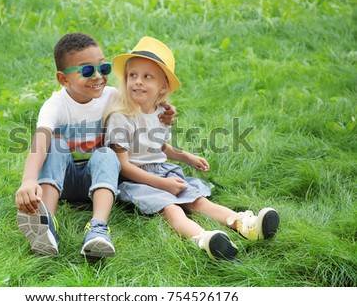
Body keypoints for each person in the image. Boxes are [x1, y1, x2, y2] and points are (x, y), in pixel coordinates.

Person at [105, 36, 280, 260]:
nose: (138, 81)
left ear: (163, 86)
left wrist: (186, 157)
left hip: (162, 170)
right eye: (133, 75)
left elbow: (158, 146)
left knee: (198, 200)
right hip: (134, 180)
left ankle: (245, 224)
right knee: (171, 207)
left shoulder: (160, 114)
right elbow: (123, 165)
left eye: (147, 76)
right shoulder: (121, 117)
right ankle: (204, 239)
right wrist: (162, 184)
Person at [15, 33, 176, 258]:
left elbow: (143, 100)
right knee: (56, 146)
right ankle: (46, 224)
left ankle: (97, 227)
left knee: (107, 153)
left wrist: (164, 109)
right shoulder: (55, 106)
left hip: (101, 178)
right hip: (64, 179)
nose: (98, 76)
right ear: (63, 79)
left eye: (104, 68)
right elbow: (40, 142)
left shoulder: (111, 96)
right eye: (87, 71)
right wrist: (29, 180)